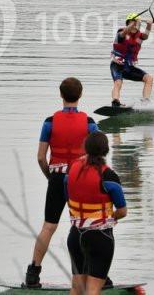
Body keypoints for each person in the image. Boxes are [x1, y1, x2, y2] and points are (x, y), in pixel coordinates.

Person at [25, 77, 99, 288]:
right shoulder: (89, 123)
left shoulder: (49, 122)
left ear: (61, 95)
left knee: (49, 226)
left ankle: (33, 273)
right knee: (84, 226)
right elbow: (97, 155)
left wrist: (51, 177)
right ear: (80, 95)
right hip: (80, 178)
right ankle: (95, 275)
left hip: (57, 177)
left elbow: (40, 157)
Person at [66, 131, 127, 295]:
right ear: (106, 150)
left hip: (75, 236)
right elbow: (122, 211)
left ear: (85, 147)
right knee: (93, 290)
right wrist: (111, 216)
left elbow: (67, 194)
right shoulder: (109, 176)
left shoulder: (72, 170)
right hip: (100, 237)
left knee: (76, 288)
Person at [110, 12, 154, 107]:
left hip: (129, 68)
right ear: (128, 23)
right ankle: (115, 102)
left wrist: (149, 25)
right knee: (118, 82)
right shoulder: (121, 33)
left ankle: (145, 102)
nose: (135, 26)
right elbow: (125, 32)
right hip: (117, 65)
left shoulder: (140, 36)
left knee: (149, 78)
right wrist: (133, 23)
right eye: (133, 23)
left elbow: (146, 36)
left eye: (137, 24)